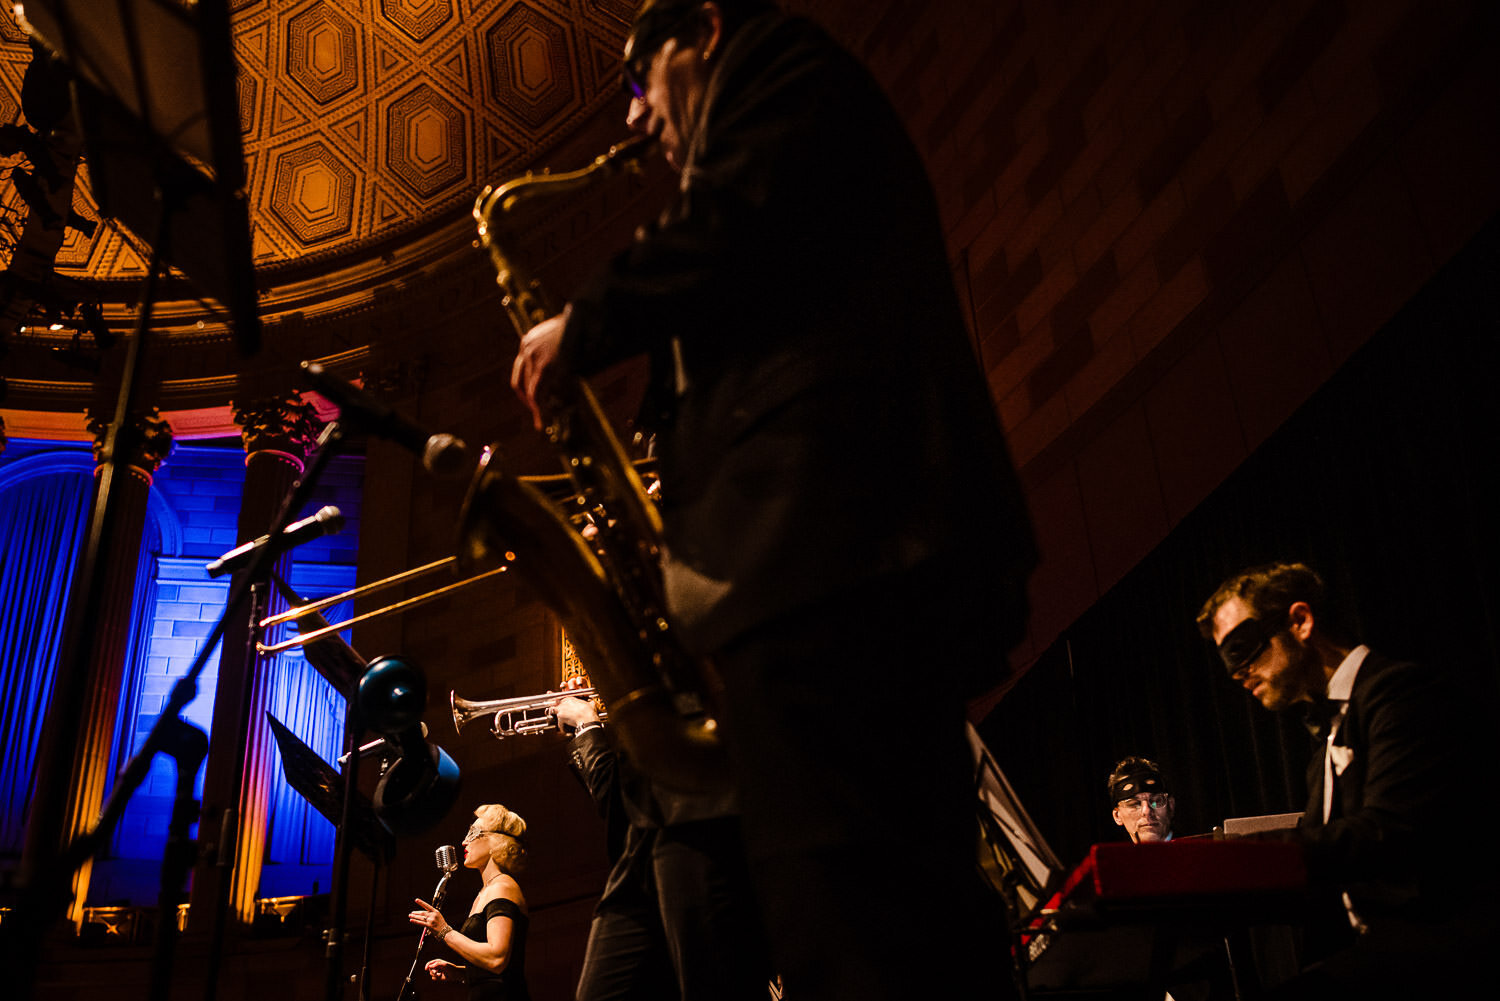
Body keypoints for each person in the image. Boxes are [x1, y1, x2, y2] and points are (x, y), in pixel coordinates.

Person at [510, 2, 1036, 997]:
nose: (632, 121)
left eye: (636, 83)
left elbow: (734, 219)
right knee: (885, 921)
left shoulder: (782, 67)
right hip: (836, 561)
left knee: (855, 927)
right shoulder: (788, 124)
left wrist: (586, 320)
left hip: (828, 565)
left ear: (703, 30)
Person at [1197, 561, 1494, 997]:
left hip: (1443, 951)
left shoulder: (1401, 694)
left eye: (1244, 649)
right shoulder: (1323, 754)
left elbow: (1385, 833)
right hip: (1370, 958)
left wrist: (1231, 860)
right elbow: (1319, 876)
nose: (1237, 673)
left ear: (1300, 621)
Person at [553, 689, 771, 1000]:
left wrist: (589, 726)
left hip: (700, 829)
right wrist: (586, 729)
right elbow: (618, 799)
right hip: (640, 852)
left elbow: (617, 799)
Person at [409, 804, 532, 1001]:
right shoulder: (486, 892)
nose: (465, 841)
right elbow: (496, 971)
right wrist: (460, 972)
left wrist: (444, 931)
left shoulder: (502, 888)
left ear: (495, 841)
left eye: (473, 833)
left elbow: (497, 958)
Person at [1107, 756, 1176, 843]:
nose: (1146, 811)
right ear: (1117, 816)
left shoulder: (1196, 852)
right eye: (1134, 804)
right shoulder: (1107, 856)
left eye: (1156, 801)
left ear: (1171, 805)